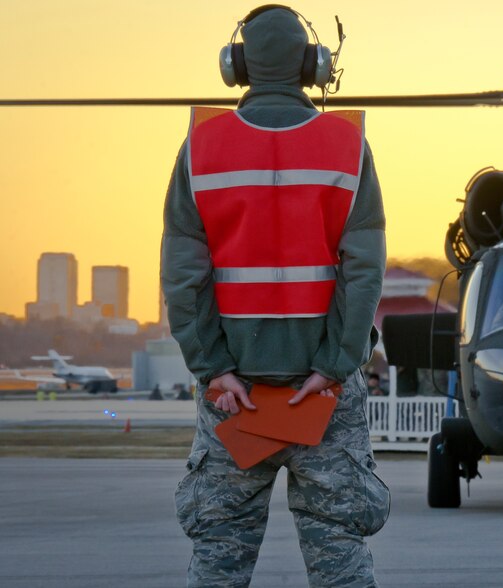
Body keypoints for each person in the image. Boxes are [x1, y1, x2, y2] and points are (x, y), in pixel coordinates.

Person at [161, 5, 389, 586]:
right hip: (323, 397)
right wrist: (334, 368)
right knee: (340, 554)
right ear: (314, 65)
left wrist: (214, 369)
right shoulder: (347, 146)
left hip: (235, 396)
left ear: (236, 66)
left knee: (219, 556)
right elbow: (363, 274)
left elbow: (183, 277)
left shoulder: (201, 147)